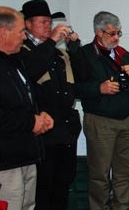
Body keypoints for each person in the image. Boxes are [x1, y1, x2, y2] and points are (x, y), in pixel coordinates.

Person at [74, 11, 129, 210]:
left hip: (128, 121)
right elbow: (73, 88)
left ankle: (121, 207)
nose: (116, 37)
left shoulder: (122, 53)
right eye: (112, 33)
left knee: (124, 173)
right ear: (99, 33)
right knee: (100, 174)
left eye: (119, 33)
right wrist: (99, 88)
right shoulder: (84, 55)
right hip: (100, 121)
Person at [17, 0, 82, 209]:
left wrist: (74, 48)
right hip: (42, 133)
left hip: (65, 129)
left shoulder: (58, 52)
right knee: (42, 189)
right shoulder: (21, 50)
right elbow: (32, 70)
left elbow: (85, 75)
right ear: (28, 24)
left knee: (62, 185)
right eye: (43, 22)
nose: (48, 27)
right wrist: (52, 40)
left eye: (49, 22)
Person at [0, 6, 54, 210]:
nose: (24, 38)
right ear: (3, 32)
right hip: (6, 164)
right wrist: (31, 122)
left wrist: (40, 115)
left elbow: (25, 99)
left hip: (26, 155)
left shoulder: (15, 61)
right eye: (21, 31)